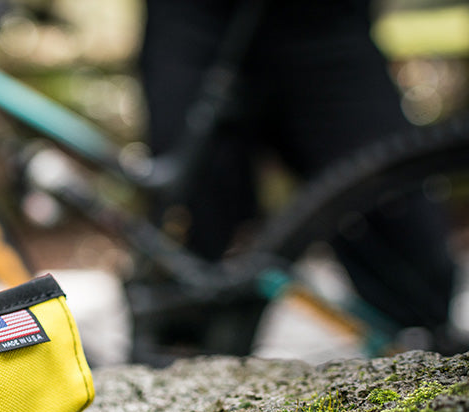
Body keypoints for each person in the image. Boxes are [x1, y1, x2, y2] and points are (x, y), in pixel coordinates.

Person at [138, 0, 460, 348]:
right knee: (188, 240)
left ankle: (432, 348)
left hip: (323, 23)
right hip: (191, 21)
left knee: (403, 237)